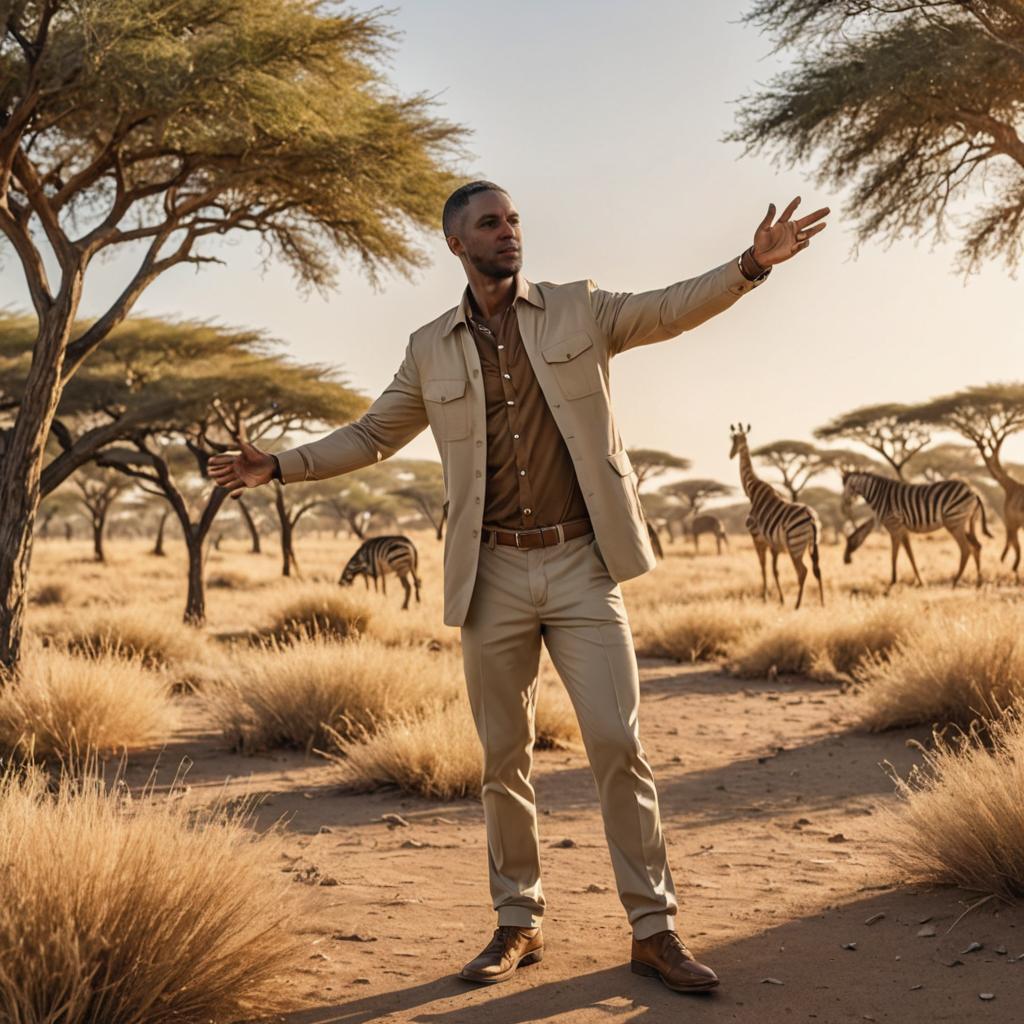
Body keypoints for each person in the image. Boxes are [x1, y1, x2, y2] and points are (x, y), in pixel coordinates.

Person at [209, 181, 829, 994]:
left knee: (618, 742)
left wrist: (751, 264)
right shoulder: (430, 346)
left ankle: (655, 930)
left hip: (582, 563)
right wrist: (280, 464)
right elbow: (372, 435)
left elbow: (671, 308)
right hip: (490, 572)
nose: (508, 234)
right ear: (456, 245)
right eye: (489, 224)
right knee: (504, 757)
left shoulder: (581, 308)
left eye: (513, 221)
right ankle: (518, 923)